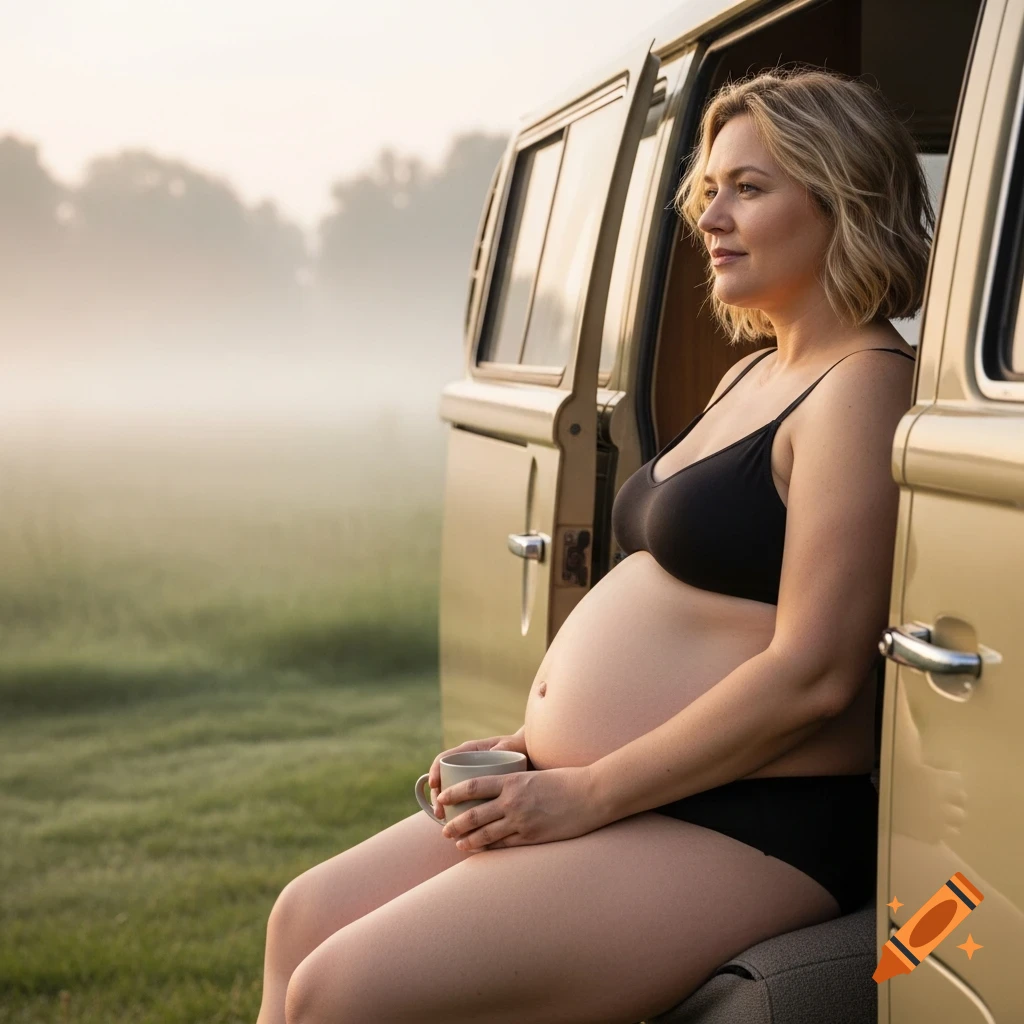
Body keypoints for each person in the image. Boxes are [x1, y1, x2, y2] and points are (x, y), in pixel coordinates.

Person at [256, 66, 933, 1024]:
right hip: (616, 788)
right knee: (302, 921)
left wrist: (584, 791)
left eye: (749, 187)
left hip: (748, 820)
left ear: (842, 198)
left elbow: (814, 675)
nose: (711, 217)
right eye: (709, 191)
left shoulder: (864, 386)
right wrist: (538, 747)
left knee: (346, 990)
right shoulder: (752, 372)